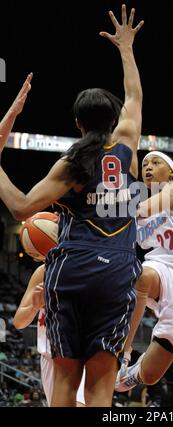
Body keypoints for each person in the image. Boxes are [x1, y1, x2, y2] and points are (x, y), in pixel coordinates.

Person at [0, 4, 144, 407]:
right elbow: (134, 94)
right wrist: (126, 47)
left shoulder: (72, 162)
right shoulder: (128, 144)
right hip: (117, 269)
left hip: (73, 269)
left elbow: (20, 207)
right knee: (100, 384)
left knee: (65, 382)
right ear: (115, 118)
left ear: (78, 124)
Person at [115, 151, 173, 391]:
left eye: (156, 163)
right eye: (145, 163)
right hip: (161, 270)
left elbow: (147, 207)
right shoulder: (141, 217)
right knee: (142, 275)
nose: (148, 167)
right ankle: (124, 350)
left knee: (151, 375)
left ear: (170, 172)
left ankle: (132, 375)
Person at [13, 262, 85, 407]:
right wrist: (35, 306)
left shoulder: (92, 266)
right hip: (49, 356)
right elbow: (19, 322)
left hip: (82, 353)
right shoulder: (44, 270)